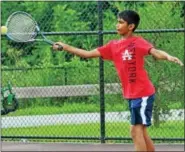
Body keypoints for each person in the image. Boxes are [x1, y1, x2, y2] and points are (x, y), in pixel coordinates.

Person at [52, 10, 183, 151]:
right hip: (132, 95)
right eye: (117, 22)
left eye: (121, 22)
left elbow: (155, 52)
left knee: (135, 131)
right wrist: (65, 47)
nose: (117, 25)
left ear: (131, 26)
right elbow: (88, 54)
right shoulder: (113, 46)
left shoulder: (138, 42)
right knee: (141, 132)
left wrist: (168, 56)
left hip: (143, 93)